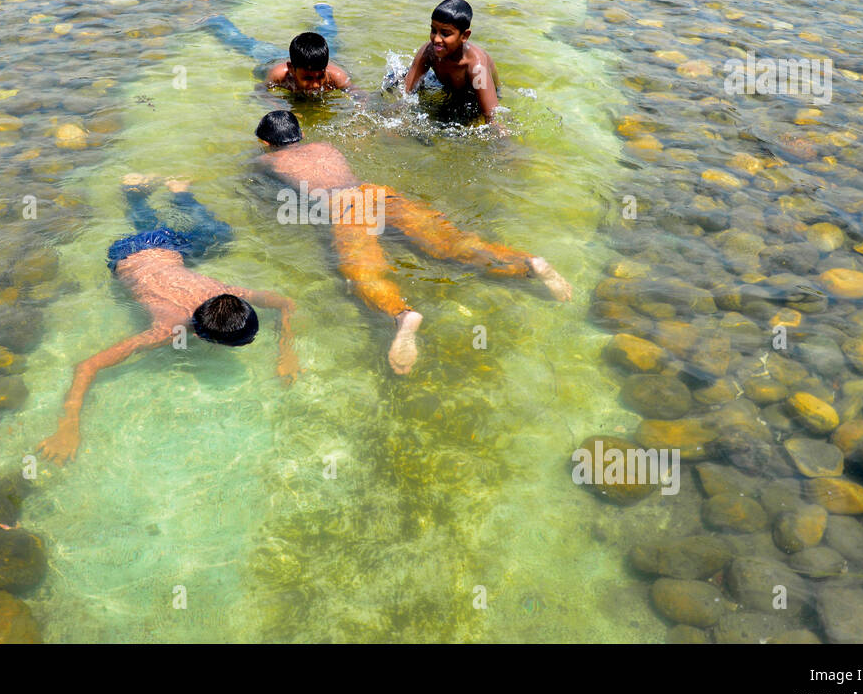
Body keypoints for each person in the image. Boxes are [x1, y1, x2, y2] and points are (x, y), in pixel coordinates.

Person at [252, 110, 572, 375]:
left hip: (344, 206)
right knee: (449, 242)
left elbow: (274, 195)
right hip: (375, 191)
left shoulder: (267, 162)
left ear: (265, 143)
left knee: (362, 271)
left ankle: (401, 314)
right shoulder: (325, 147)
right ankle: (527, 263)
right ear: (302, 135)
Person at [38, 174, 297, 464]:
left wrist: (287, 350)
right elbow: (88, 366)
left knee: (220, 236)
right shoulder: (167, 330)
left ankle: (155, 192)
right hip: (124, 253)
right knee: (216, 237)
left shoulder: (222, 292)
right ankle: (145, 194)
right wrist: (68, 426)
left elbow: (286, 303)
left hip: (164, 247)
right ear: (203, 336)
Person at [201, 4, 354, 95]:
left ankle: (325, 12)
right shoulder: (279, 74)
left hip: (316, 58)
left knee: (330, 38)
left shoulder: (336, 76)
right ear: (291, 69)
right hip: (274, 58)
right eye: (308, 78)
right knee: (245, 45)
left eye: (320, 77)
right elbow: (261, 92)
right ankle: (216, 21)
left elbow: (359, 95)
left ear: (325, 69)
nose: (315, 85)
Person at [400, 0, 504, 129]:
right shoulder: (429, 52)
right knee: (395, 79)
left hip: (475, 99)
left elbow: (492, 116)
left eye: (445, 33)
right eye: (433, 30)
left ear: (464, 36)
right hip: (449, 90)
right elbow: (405, 92)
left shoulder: (476, 66)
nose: (436, 39)